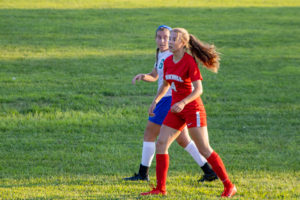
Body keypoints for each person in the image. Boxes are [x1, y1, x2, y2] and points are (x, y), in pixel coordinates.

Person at [140, 28, 237, 198]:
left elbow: (199, 90)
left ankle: (229, 186)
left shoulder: (189, 62)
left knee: (204, 149)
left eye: (173, 40)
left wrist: (183, 102)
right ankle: (160, 189)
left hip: (192, 109)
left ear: (183, 43)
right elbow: (165, 84)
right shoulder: (169, 61)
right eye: (169, 39)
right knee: (161, 143)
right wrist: (155, 101)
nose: (169, 42)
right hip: (176, 110)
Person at [123, 25, 217, 182]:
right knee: (183, 139)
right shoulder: (161, 54)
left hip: (169, 99)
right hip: (169, 100)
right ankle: (208, 171)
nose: (162, 41)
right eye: (158, 37)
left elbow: (170, 84)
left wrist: (157, 101)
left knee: (149, 134)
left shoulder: (172, 55)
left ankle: (143, 173)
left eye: (166, 38)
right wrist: (144, 76)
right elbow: (155, 76)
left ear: (175, 40)